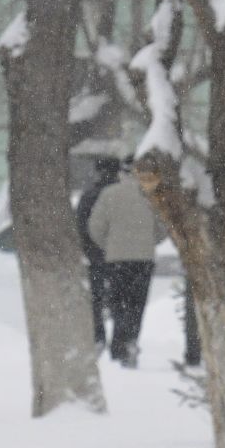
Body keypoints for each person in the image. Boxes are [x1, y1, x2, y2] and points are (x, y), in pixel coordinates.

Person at [85, 161, 164, 367]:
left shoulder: (109, 194)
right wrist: (148, 241)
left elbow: (95, 227)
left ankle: (119, 344)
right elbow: (163, 228)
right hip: (144, 259)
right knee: (137, 304)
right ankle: (131, 341)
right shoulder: (151, 196)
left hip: (116, 259)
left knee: (118, 302)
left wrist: (109, 245)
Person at [75, 157, 120, 345]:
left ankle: (98, 335)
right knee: (121, 298)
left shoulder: (90, 195)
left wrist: (88, 248)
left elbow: (81, 225)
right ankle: (122, 337)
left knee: (96, 298)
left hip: (95, 255)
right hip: (120, 254)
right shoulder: (122, 194)